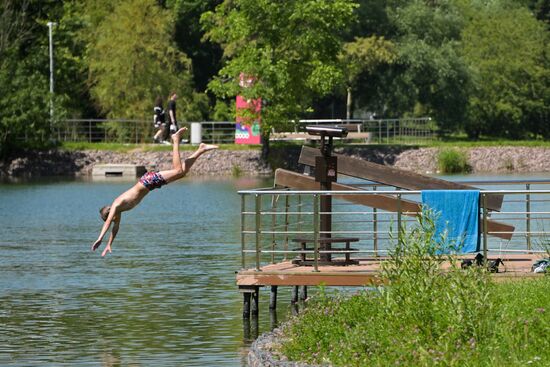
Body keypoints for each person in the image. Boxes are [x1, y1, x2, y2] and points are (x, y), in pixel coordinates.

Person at [91, 127, 218, 257]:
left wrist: (100, 238)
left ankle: (175, 140)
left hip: (147, 181)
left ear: (109, 215)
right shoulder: (119, 212)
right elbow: (115, 229)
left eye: (111, 219)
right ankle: (201, 149)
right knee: (182, 173)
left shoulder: (117, 204)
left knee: (178, 171)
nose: (113, 221)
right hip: (149, 184)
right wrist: (109, 244)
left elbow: (108, 224)